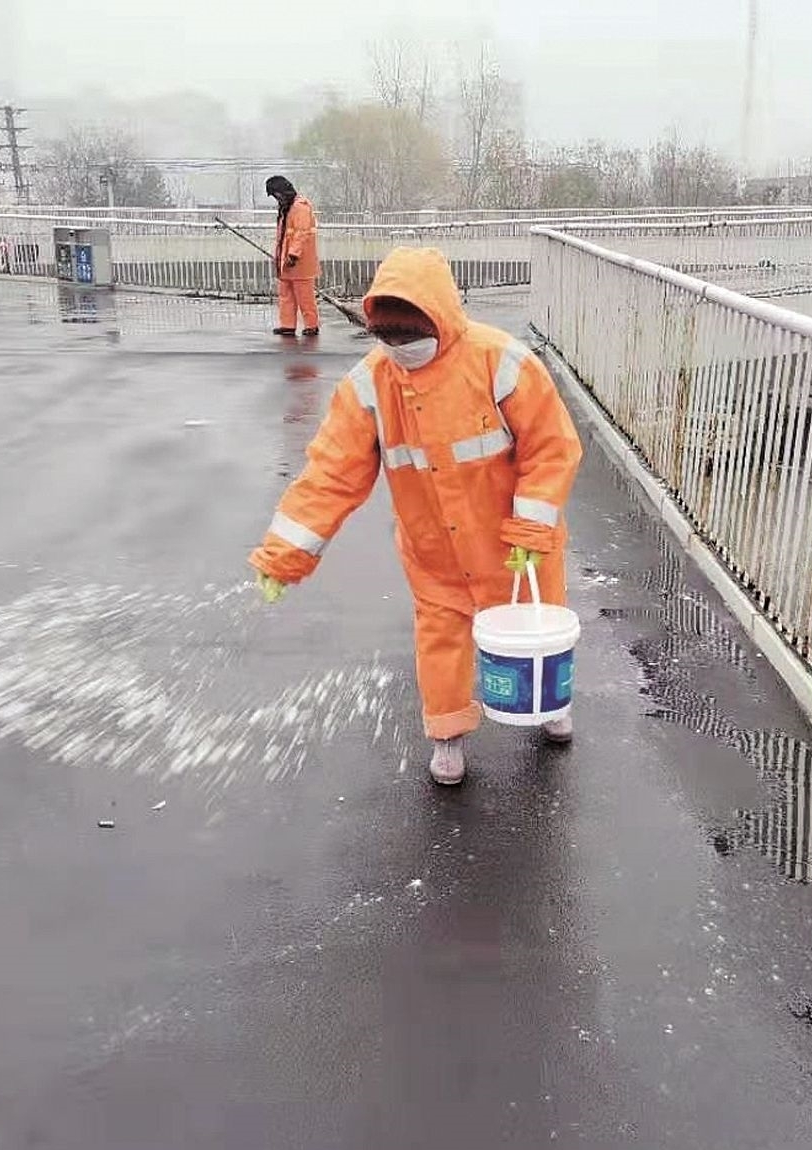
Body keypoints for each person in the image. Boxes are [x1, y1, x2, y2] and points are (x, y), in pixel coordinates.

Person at [249, 247, 583, 785]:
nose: (402, 348)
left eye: (412, 334)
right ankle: (447, 734)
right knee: (441, 641)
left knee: (535, 627)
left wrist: (532, 525)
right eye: (390, 337)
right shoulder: (368, 385)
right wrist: (283, 555)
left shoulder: (502, 362)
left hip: (517, 542)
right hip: (435, 551)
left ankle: (549, 706)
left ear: (441, 316)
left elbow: (551, 448)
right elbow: (331, 474)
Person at [265, 175, 320, 339]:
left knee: (305, 297)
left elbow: (301, 234)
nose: (277, 198)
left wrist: (293, 255)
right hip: (285, 262)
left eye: (276, 194)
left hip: (299, 262)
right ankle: (287, 325)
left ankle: (311, 325)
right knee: (286, 296)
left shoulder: (300, 207)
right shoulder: (286, 208)